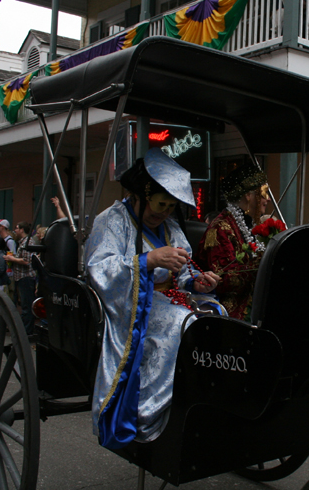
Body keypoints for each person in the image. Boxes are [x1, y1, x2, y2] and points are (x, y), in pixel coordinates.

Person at [86, 148, 223, 448]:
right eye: (160, 204)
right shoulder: (111, 220)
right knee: (179, 322)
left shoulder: (170, 227)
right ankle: (148, 414)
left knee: (215, 311)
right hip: (128, 305)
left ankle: (204, 398)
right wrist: (147, 260)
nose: (163, 213)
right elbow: (98, 270)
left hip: (170, 297)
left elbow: (184, 275)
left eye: (170, 206)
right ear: (140, 195)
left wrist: (198, 284)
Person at [196, 162, 270, 321]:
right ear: (248, 195)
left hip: (254, 297)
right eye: (264, 193)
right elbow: (223, 279)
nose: (268, 199)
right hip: (230, 306)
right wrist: (264, 264)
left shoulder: (253, 224)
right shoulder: (220, 229)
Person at [9, 221, 37, 336]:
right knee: (24, 304)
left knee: (27, 305)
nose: (15, 230)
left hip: (26, 277)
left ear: (22, 230)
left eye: (16, 228)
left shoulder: (27, 242)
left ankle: (27, 331)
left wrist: (11, 259)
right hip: (21, 277)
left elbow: (26, 261)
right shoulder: (22, 242)